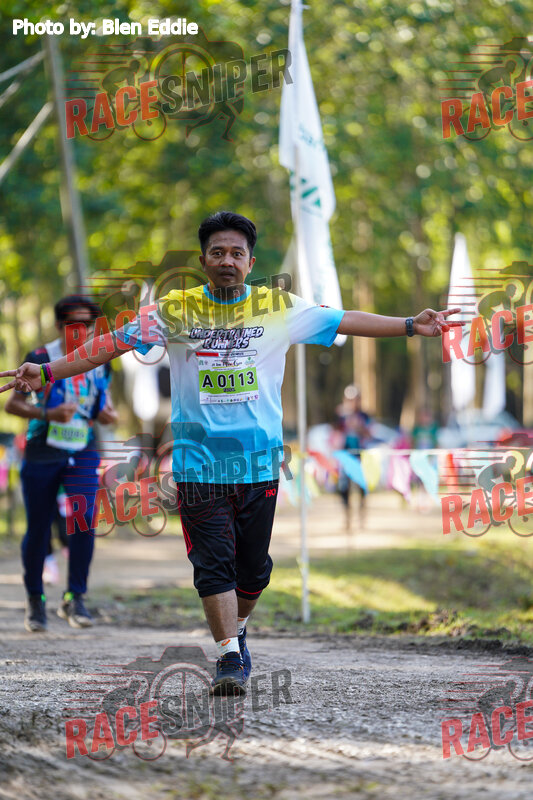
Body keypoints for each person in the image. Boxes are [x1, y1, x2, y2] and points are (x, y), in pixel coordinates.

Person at [0, 212, 462, 691]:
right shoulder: (175, 310)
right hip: (198, 465)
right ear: (203, 261)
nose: (227, 261)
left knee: (254, 572)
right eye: (217, 253)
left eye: (236, 253)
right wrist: (47, 371)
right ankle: (227, 657)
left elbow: (343, 319)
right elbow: (110, 345)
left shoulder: (276, 306)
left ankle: (237, 629)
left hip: (259, 464)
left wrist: (410, 325)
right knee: (213, 565)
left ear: (250, 262)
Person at [5, 295, 117, 632]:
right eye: (72, 324)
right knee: (39, 527)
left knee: (84, 521)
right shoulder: (41, 358)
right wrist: (48, 413)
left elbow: (102, 408)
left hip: (82, 450)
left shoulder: (102, 359)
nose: (81, 330)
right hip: (42, 451)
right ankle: (35, 600)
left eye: (88, 324)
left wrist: (107, 415)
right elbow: (12, 405)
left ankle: (75, 598)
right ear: (58, 326)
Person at [334, 385, 371, 530]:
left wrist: (358, 426)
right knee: (344, 488)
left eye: (355, 399)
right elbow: (335, 434)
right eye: (349, 399)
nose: (352, 402)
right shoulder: (341, 416)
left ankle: (362, 517)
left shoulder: (364, 416)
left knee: (362, 488)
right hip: (345, 456)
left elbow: (369, 433)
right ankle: (347, 518)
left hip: (360, 456)